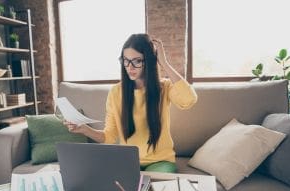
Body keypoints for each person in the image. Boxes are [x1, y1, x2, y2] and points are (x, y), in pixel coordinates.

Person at [65, 33, 197, 173]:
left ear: (150, 61)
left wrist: (164, 62)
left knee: (149, 187)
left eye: (137, 61)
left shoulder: (164, 87)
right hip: (128, 160)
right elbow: (109, 136)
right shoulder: (116, 92)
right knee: (113, 187)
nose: (130, 67)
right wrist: (85, 129)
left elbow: (189, 100)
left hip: (161, 161)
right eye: (126, 60)